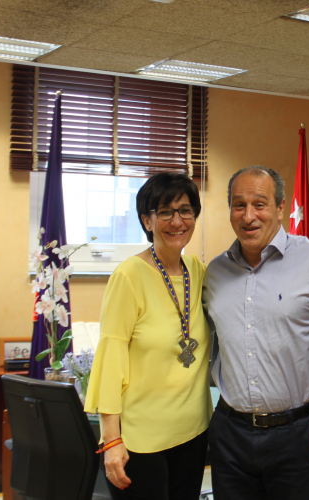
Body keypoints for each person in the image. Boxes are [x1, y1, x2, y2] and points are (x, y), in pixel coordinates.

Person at [203, 165, 309, 500]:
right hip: (231, 436)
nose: (248, 215)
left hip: (300, 435)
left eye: (260, 203)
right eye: (239, 205)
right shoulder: (215, 272)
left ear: (281, 208)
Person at [85, 172, 211, 500]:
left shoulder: (197, 271)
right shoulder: (129, 276)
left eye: (186, 210)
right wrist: (111, 440)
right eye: (165, 212)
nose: (177, 221)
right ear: (147, 220)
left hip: (193, 432)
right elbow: (110, 359)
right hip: (141, 441)